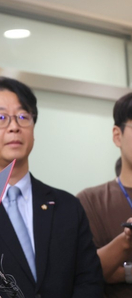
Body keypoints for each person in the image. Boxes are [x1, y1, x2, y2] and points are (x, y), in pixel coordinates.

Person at [0, 77, 104, 297]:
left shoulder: (68, 206)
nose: (14, 127)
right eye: (1, 118)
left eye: (23, 117)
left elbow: (90, 281)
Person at [77, 92, 132, 298]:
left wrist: (124, 272)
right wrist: (126, 241)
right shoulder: (90, 201)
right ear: (117, 135)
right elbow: (87, 271)